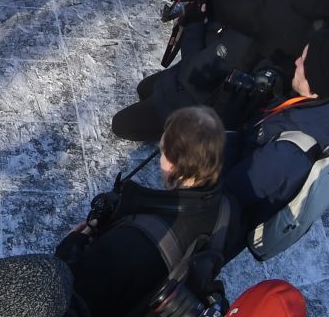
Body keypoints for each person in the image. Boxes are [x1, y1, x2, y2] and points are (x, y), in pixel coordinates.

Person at [59, 107, 228, 317]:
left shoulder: (129, 241)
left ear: (174, 164)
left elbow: (73, 300)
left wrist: (70, 247)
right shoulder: (223, 209)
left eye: (163, 151)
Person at [219, 28, 329, 258]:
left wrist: (224, 127)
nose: (297, 61)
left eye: (303, 62)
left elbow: (226, 193)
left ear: (314, 86)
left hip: (221, 228)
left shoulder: (286, 155)